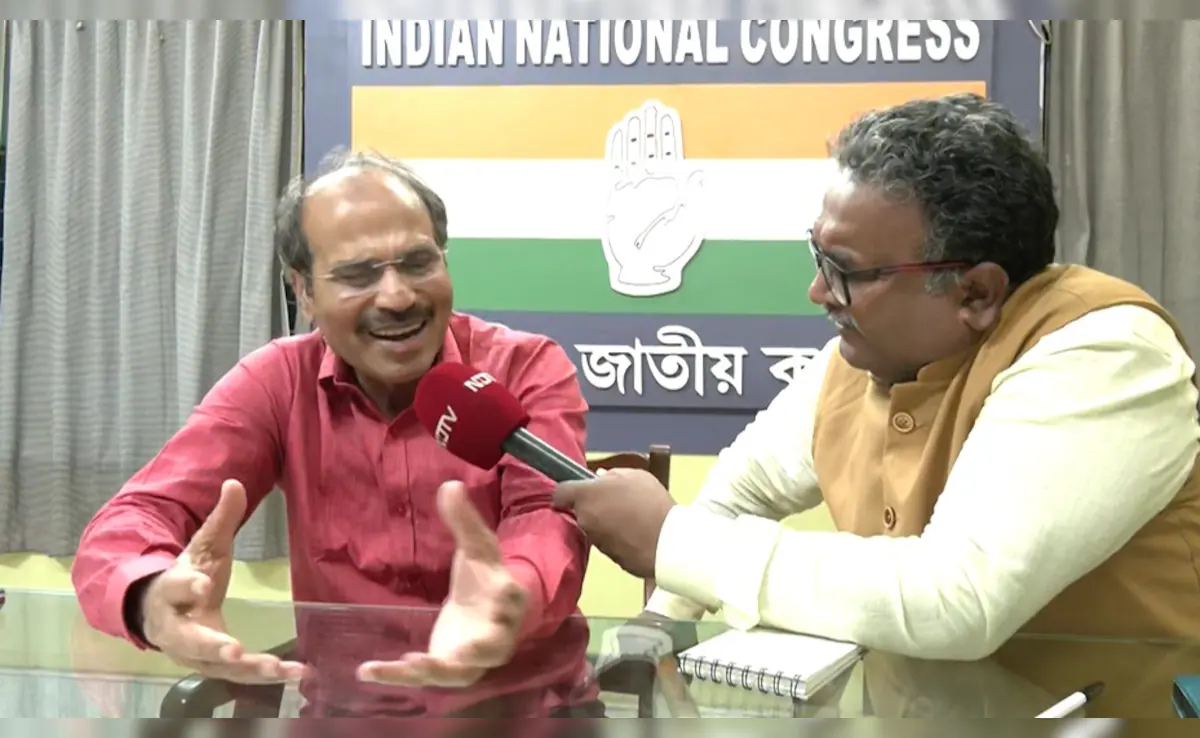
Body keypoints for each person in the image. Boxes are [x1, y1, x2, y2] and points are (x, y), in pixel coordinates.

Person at [554, 93, 1200, 664]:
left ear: (976, 292)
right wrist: (655, 630)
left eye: (847, 271)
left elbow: (956, 598)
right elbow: (738, 495)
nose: (817, 292)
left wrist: (675, 541)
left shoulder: (1106, 353)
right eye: (817, 255)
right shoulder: (863, 359)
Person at [72, 149, 593, 716]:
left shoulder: (525, 367)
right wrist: (149, 595)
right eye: (357, 275)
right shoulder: (277, 383)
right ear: (304, 292)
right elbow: (133, 520)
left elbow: (546, 515)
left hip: (526, 716)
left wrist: (510, 594)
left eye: (418, 263)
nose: (397, 297)